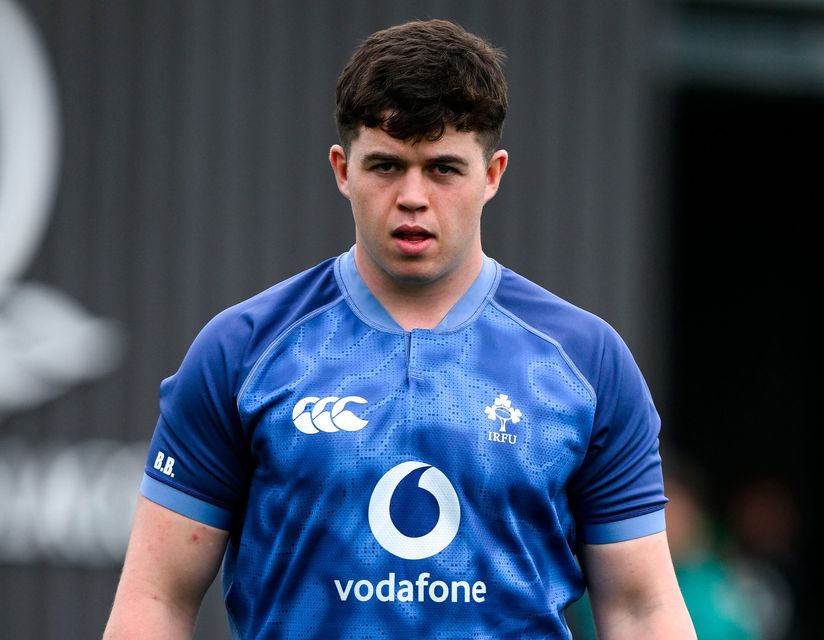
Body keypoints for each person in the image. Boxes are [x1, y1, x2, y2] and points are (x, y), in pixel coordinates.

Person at [104, 19, 694, 639]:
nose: (413, 196)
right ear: (342, 168)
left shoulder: (586, 361)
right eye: (386, 166)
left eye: (443, 169)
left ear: (492, 174)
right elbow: (155, 598)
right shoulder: (241, 350)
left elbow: (642, 608)